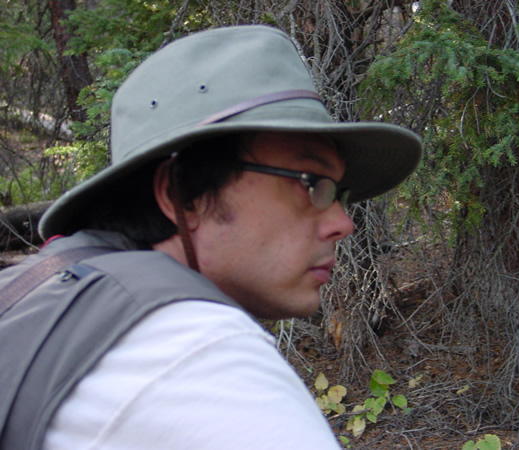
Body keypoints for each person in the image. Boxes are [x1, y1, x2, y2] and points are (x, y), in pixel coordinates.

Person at [0, 25, 422, 449]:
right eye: (311, 183)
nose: (343, 224)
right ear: (181, 195)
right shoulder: (196, 354)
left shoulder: (38, 296)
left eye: (338, 194)